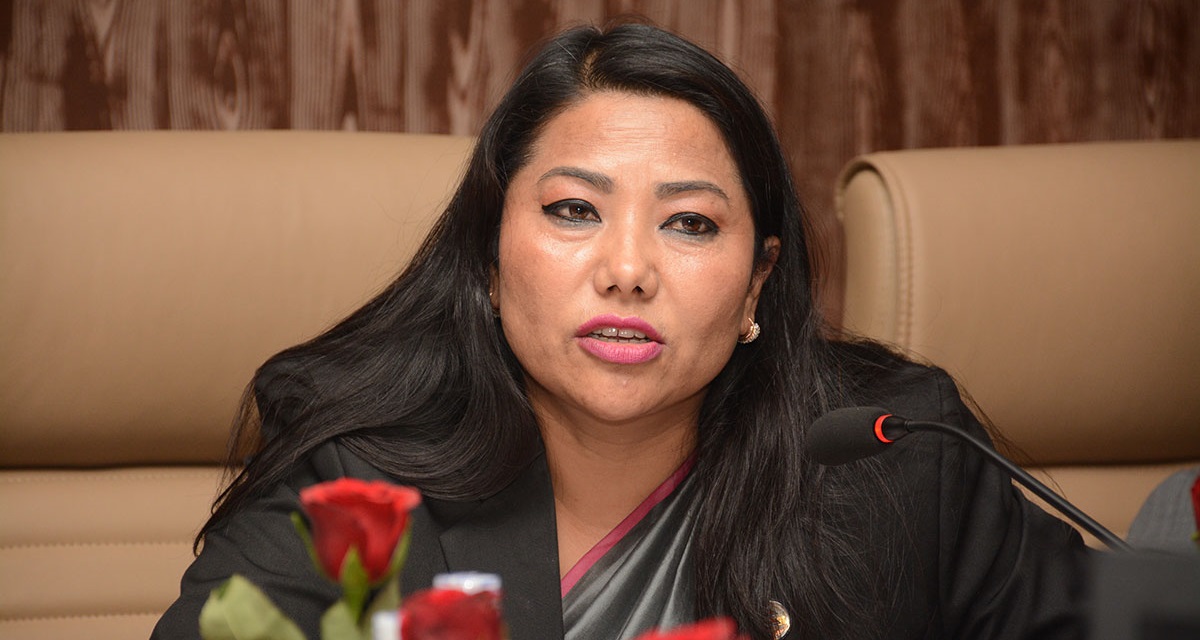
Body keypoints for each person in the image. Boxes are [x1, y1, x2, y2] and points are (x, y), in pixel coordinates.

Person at [153, 22, 1087, 640]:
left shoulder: (895, 457)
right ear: (488, 256)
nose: (628, 268)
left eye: (690, 223)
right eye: (573, 210)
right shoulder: (358, 466)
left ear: (758, 282)